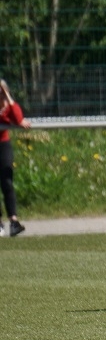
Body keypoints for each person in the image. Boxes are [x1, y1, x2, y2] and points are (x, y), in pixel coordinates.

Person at [0, 79, 30, 237]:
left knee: (7, 181)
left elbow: (18, 118)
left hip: (3, 144)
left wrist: (8, 98)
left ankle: (13, 221)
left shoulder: (8, 106)